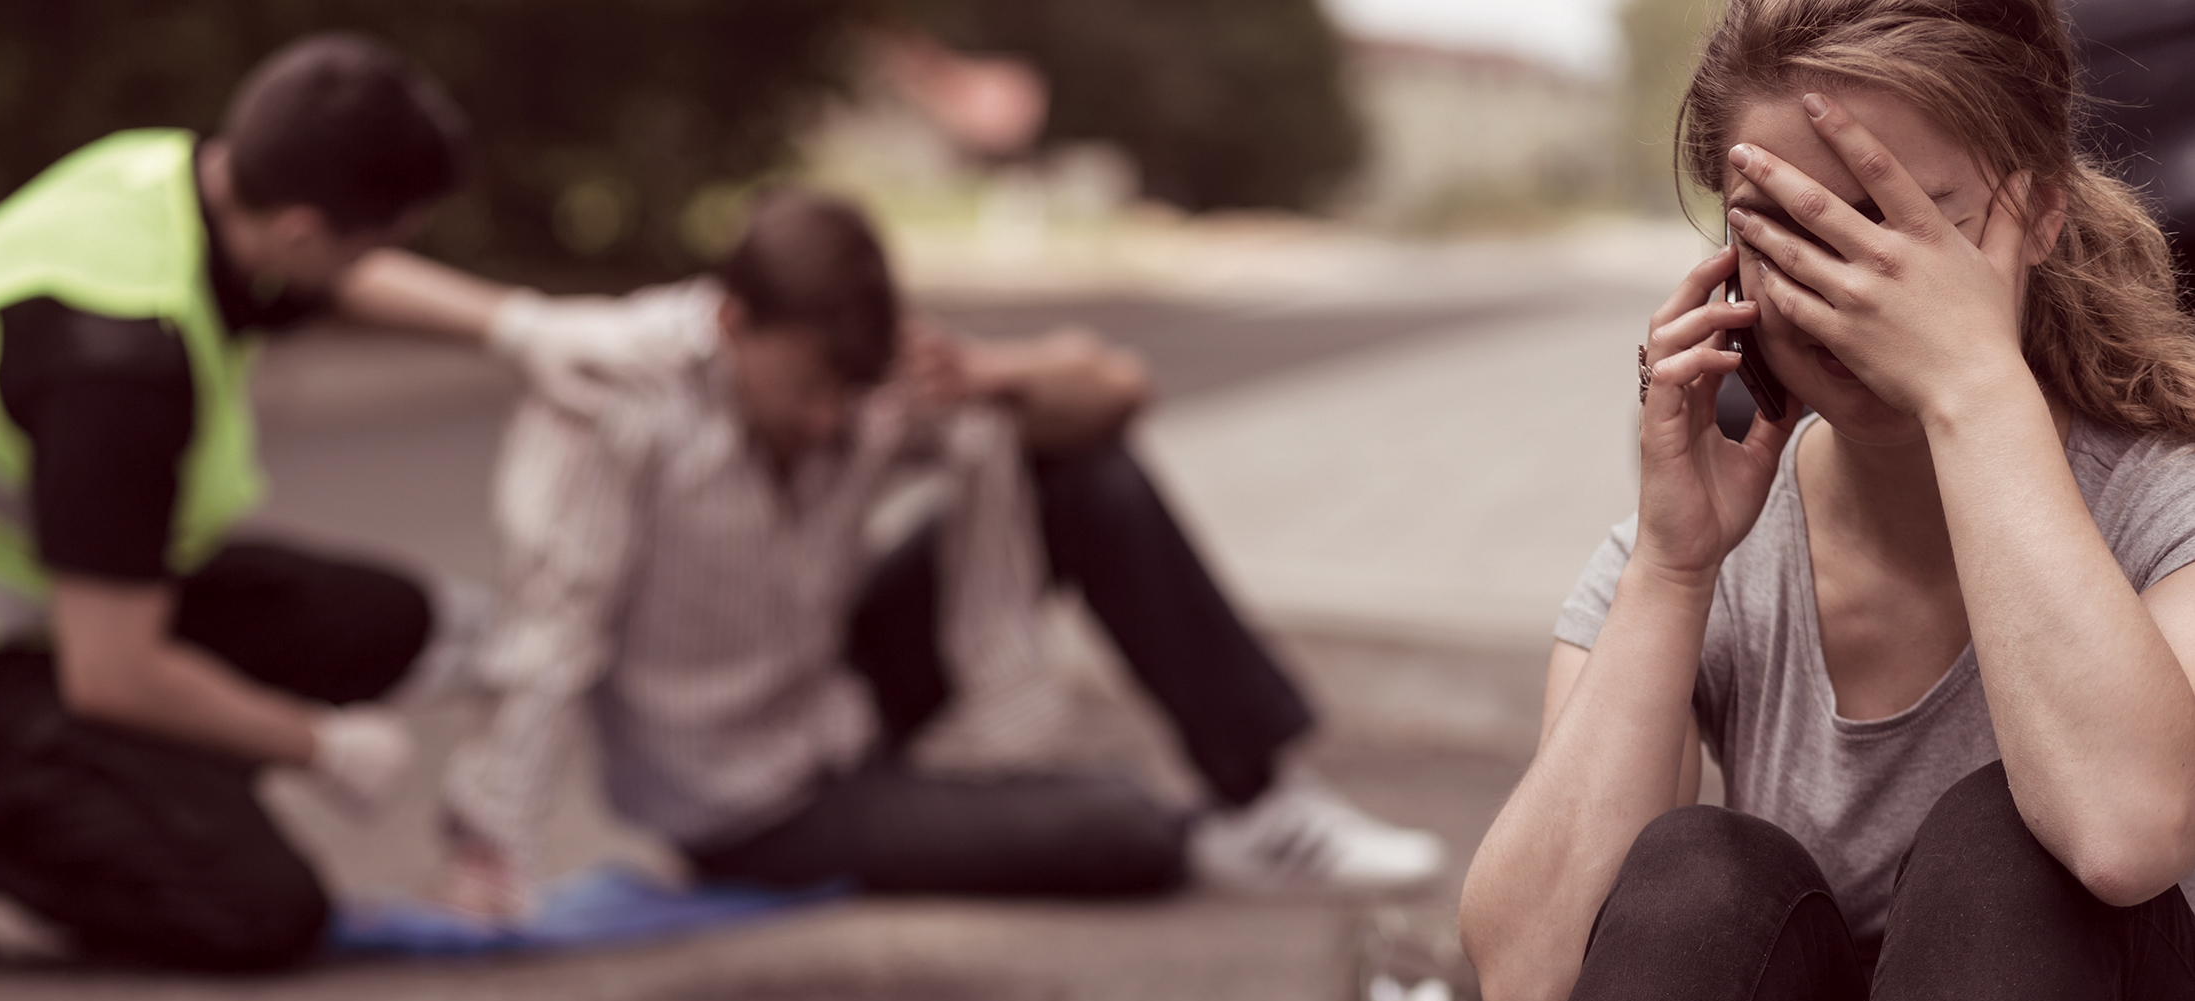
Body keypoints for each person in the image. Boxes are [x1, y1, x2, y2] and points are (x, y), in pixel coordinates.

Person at [1458, 2, 2195, 1001]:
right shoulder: (1707, 539)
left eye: (1903, 223)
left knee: (2025, 841)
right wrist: (1669, 569)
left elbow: (2131, 830)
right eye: (1796, 224)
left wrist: (1975, 389)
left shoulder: (2162, 490)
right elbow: (1529, 989)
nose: (1849, 284)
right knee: (1704, 869)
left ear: (2034, 213)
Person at [359, 187, 1445, 913]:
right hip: (746, 797)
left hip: (834, 688)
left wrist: (988, 377)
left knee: (1083, 473)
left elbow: (1119, 394)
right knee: (1118, 829)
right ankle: (1189, 832)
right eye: (805, 392)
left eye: (849, 394)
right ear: (732, 324)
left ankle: (1262, 796)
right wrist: (489, 842)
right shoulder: (618, 398)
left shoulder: (861, 383)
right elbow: (555, 625)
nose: (833, 423)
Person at [0, 34, 489, 972]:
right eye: (377, 244)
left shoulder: (172, 178)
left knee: (382, 622)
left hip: (37, 585)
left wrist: (515, 326)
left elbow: (337, 286)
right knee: (257, 910)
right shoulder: (116, 365)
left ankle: (140, 778)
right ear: (303, 236)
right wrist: (316, 745)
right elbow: (112, 672)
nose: (384, 264)